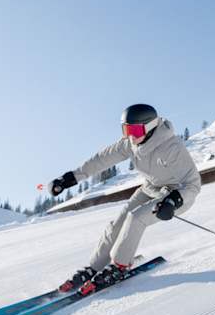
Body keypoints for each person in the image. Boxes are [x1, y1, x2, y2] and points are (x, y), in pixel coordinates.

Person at [49, 103, 201, 295]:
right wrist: (71, 178)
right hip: (150, 188)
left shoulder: (171, 147)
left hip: (175, 194)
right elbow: (102, 159)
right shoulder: (131, 143)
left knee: (136, 218)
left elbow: (193, 184)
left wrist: (174, 201)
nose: (131, 135)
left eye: (135, 130)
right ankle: (94, 267)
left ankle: (119, 266)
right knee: (118, 223)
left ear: (150, 127)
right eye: (127, 130)